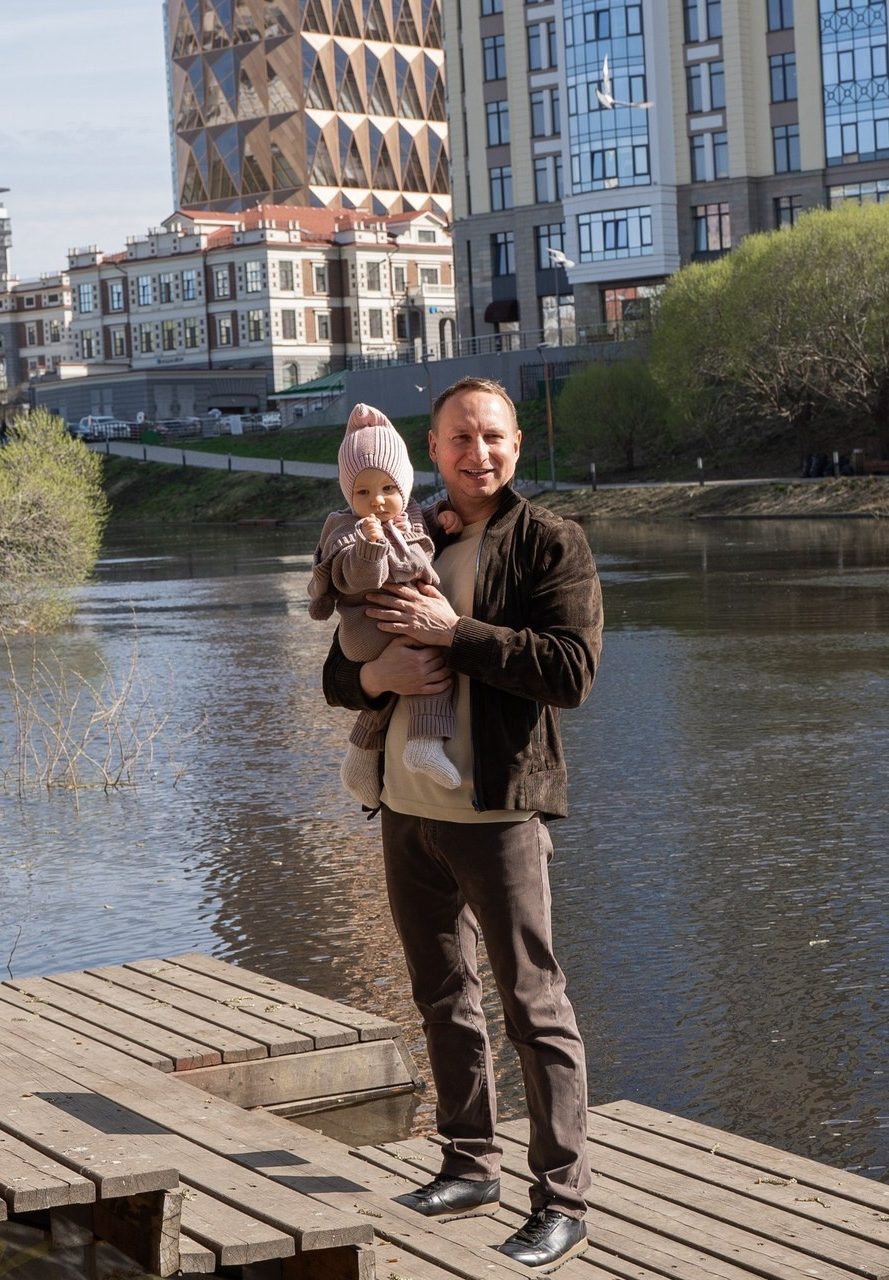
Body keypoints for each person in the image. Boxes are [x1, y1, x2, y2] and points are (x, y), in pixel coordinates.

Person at [322, 376, 603, 1271]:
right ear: (431, 448)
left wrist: (455, 631)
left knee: (533, 1005)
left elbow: (570, 672)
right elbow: (338, 672)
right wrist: (380, 680)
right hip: (404, 810)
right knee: (444, 997)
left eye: (492, 437)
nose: (476, 453)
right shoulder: (405, 533)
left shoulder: (551, 542)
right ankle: (468, 1162)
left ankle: (562, 1202)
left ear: (516, 445)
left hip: (499, 811)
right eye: (457, 439)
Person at [309, 403, 462, 808]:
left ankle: (361, 756)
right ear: (348, 496)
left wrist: (441, 516)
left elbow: (416, 523)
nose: (377, 501)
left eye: (388, 489)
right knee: (433, 653)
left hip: (387, 624)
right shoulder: (350, 532)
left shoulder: (407, 515)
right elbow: (351, 578)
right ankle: (424, 741)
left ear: (404, 488)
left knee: (416, 662)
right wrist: (369, 549)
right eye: (363, 492)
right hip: (366, 628)